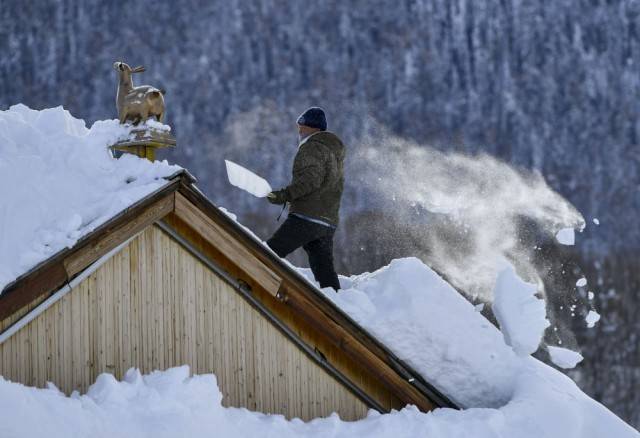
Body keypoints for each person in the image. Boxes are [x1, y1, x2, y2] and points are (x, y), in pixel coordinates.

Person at [266, 107, 345, 291]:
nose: (299, 129)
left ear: (314, 127)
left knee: (267, 254)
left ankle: (249, 287)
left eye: (302, 125)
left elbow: (311, 180)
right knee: (325, 275)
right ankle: (337, 308)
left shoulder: (312, 147)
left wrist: (283, 195)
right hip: (327, 223)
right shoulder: (333, 153)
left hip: (306, 218)